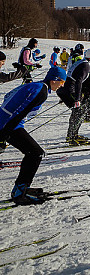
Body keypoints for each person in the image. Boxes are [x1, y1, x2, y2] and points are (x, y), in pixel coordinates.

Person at [0, 66, 66, 205]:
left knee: (34, 153)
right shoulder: (40, 91)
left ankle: (21, 188)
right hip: (8, 125)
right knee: (35, 153)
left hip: (7, 123)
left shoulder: (36, 85)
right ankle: (19, 192)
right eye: (62, 81)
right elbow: (19, 111)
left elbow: (8, 96)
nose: (62, 85)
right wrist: (4, 134)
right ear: (54, 80)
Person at [57, 48, 90, 144]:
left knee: (77, 112)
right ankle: (72, 137)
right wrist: (77, 98)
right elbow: (78, 81)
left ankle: (72, 135)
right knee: (79, 112)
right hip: (68, 90)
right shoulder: (86, 65)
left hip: (66, 89)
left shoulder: (83, 62)